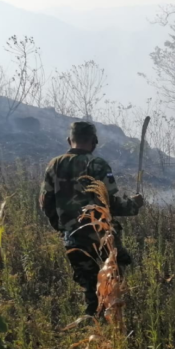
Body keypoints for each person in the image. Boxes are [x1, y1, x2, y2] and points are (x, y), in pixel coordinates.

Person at [39, 122, 144, 316]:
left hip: (73, 238)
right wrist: (133, 205)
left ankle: (93, 324)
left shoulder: (54, 164)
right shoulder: (97, 164)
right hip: (101, 236)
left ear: (69, 140)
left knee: (89, 287)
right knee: (112, 281)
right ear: (94, 142)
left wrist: (64, 228)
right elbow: (109, 203)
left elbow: (46, 203)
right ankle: (112, 329)